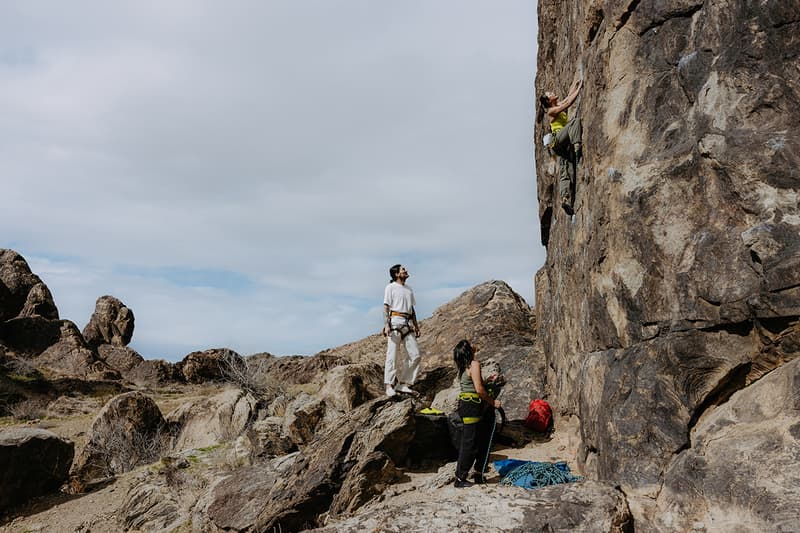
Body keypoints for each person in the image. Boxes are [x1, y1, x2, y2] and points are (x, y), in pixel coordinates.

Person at [452, 339, 502, 488]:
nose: (474, 344)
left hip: (466, 406)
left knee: (474, 440)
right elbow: (479, 390)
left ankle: (476, 474)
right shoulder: (474, 364)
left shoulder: (463, 368)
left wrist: (487, 381)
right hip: (473, 406)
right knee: (471, 443)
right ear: (468, 350)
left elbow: (475, 385)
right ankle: (460, 478)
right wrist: (493, 402)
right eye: (470, 344)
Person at [537, 78, 583, 215]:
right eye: (550, 93)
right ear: (549, 100)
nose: (552, 93)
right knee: (575, 122)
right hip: (557, 140)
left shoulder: (556, 106)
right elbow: (568, 102)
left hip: (560, 144)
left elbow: (567, 98)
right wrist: (580, 88)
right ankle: (577, 145)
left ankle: (565, 199)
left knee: (565, 167)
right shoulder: (551, 111)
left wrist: (574, 85)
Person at [382, 264, 421, 397]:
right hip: (394, 323)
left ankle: (403, 384)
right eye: (403, 269)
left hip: (407, 324)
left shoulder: (409, 289)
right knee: (392, 355)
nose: (406, 270)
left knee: (415, 355)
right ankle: (389, 386)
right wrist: (386, 325)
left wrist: (416, 326)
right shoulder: (390, 287)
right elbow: (386, 307)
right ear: (397, 274)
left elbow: (412, 309)